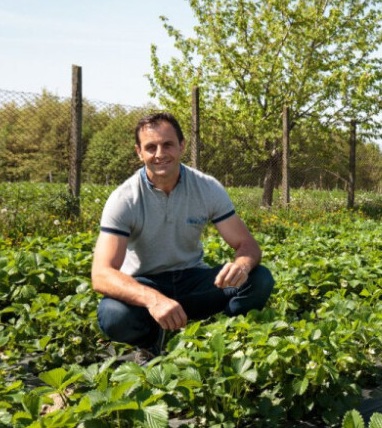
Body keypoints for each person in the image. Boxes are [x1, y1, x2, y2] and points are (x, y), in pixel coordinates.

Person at [92, 112, 274, 357]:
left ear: (182, 146)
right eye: (150, 147)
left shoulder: (207, 188)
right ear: (139, 152)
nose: (159, 154)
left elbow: (247, 244)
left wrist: (242, 264)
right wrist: (152, 299)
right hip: (144, 281)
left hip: (193, 281)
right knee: (114, 315)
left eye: (167, 144)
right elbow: (101, 274)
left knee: (259, 279)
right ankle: (149, 342)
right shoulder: (124, 198)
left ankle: (225, 337)